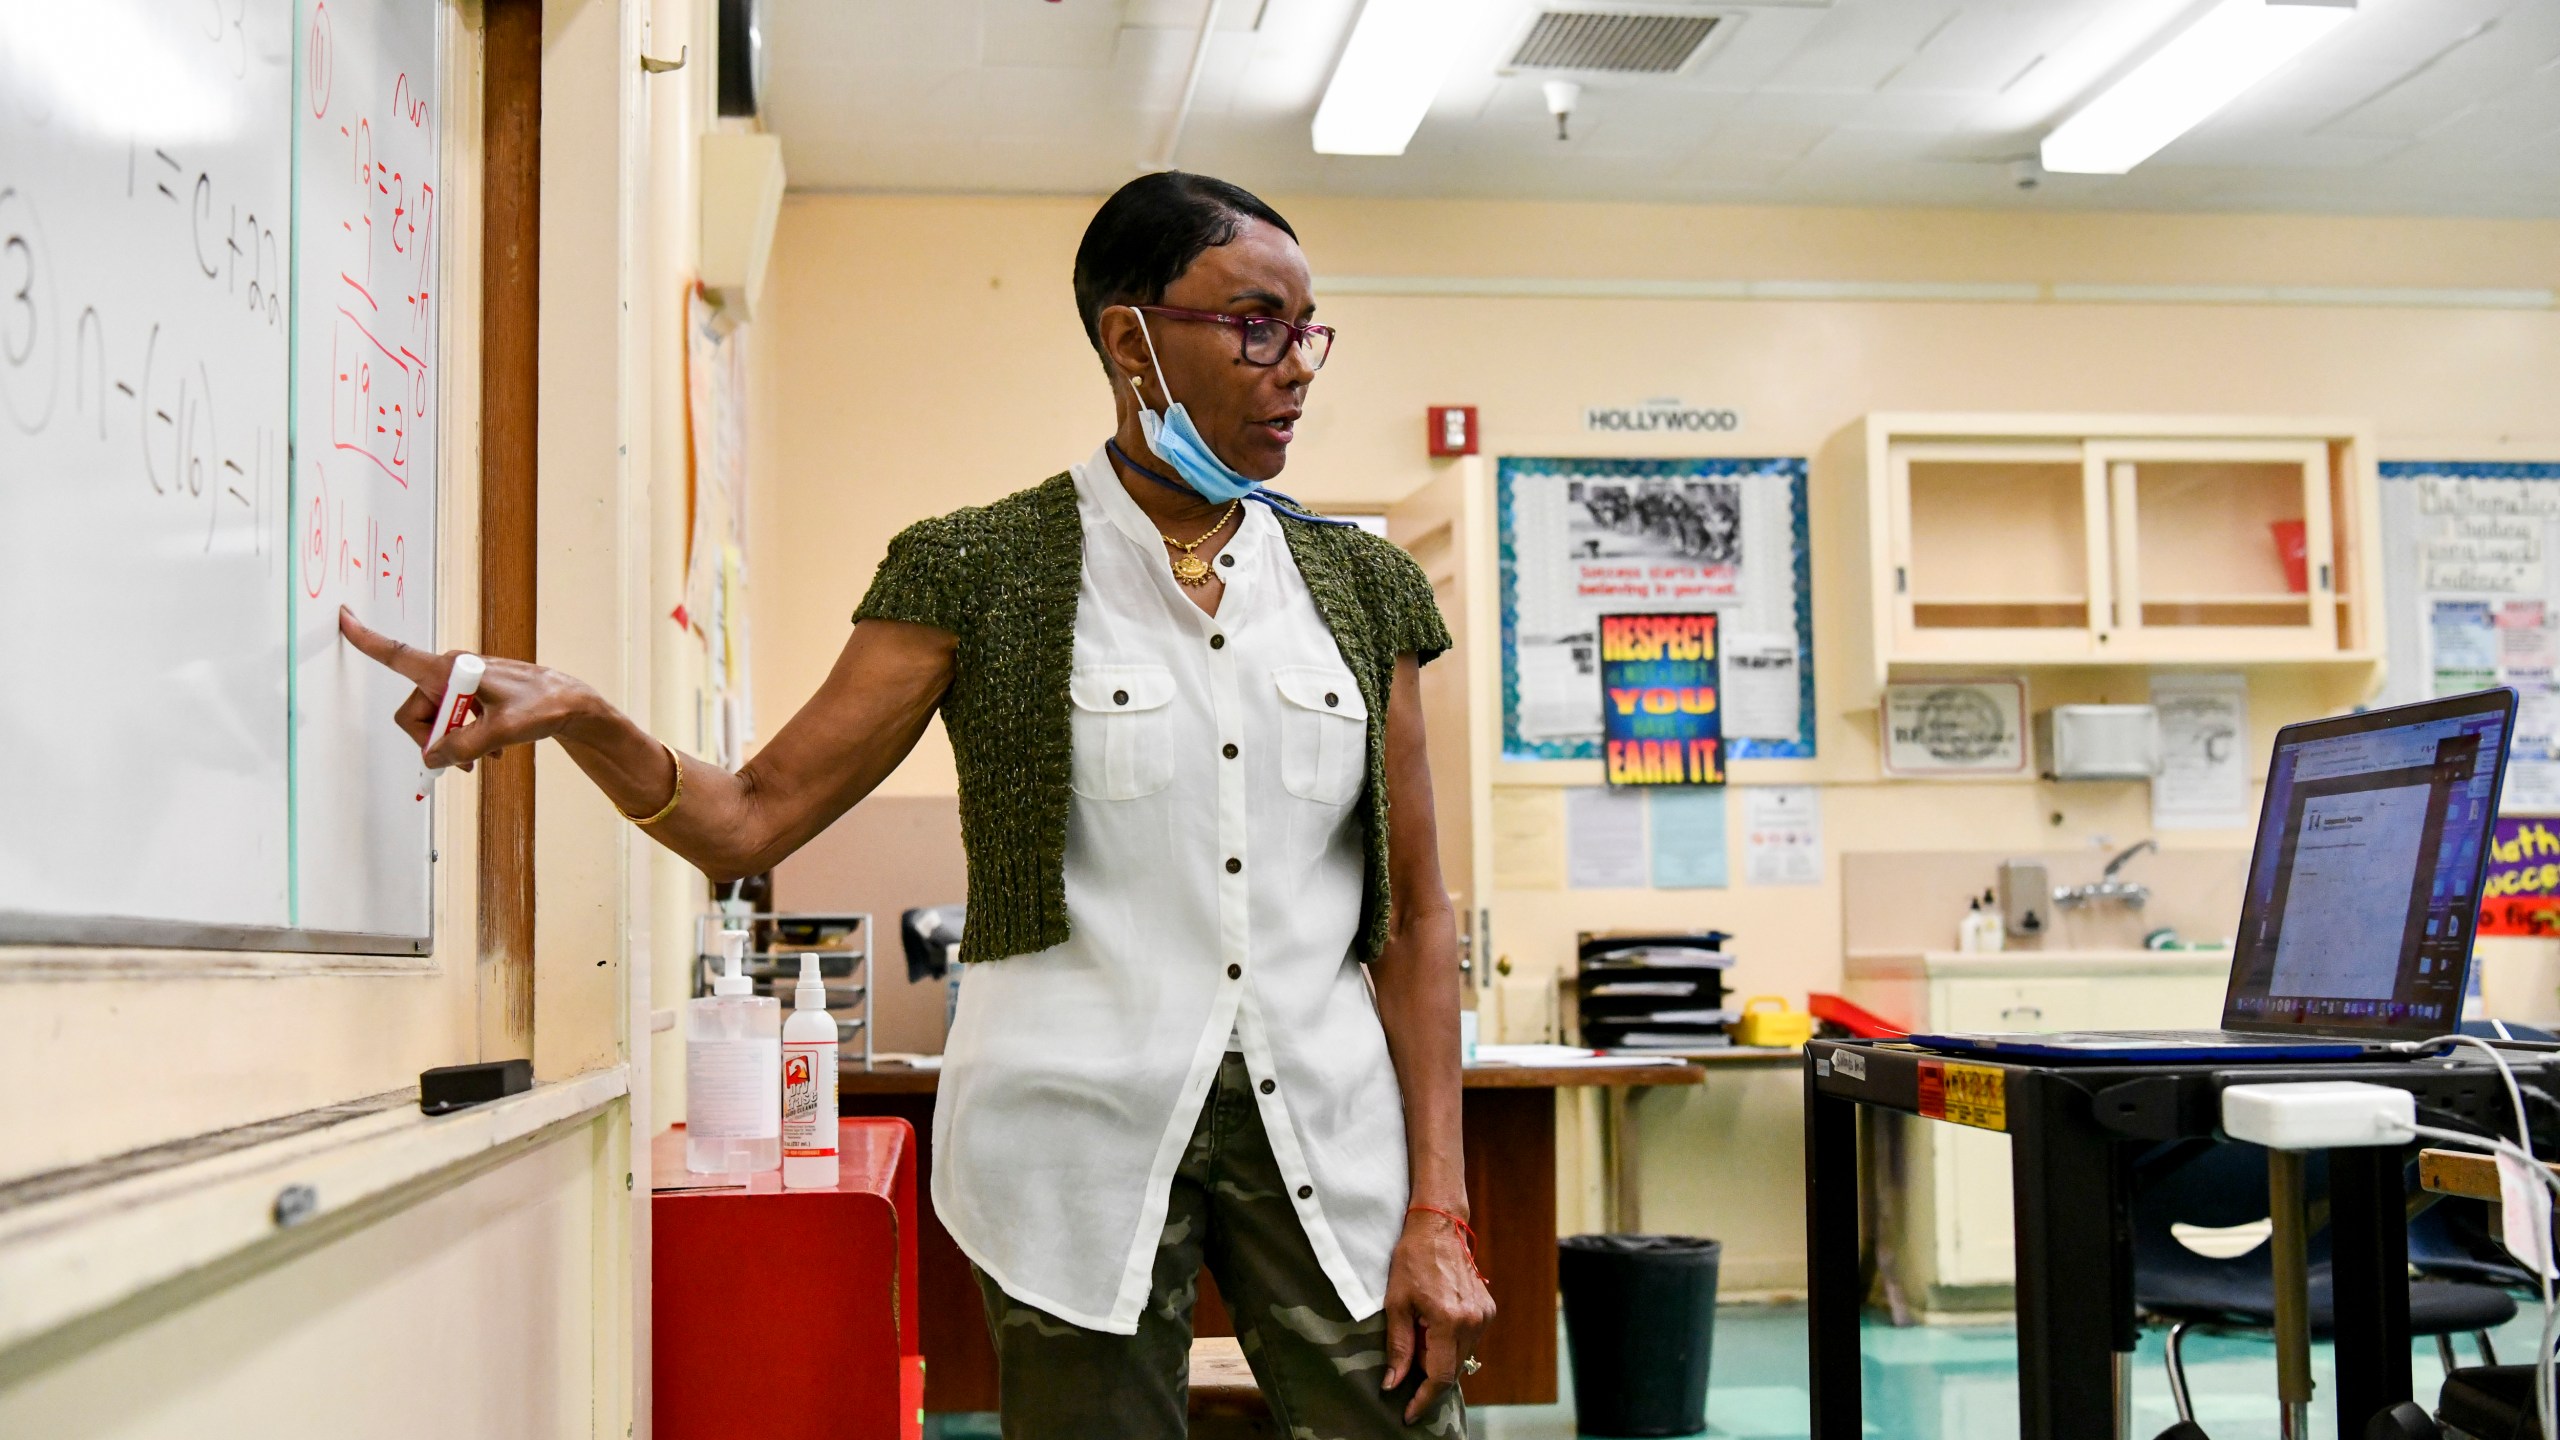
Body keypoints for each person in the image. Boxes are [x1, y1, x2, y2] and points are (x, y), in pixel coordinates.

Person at [342, 171, 1491, 1437]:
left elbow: (1414, 921)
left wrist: (1437, 1208)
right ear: (1130, 338)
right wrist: (586, 716)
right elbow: (750, 817)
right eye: (1255, 323)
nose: (1296, 366)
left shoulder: (1362, 586)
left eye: (1306, 329)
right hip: (1071, 1146)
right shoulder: (978, 568)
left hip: (1330, 1133)